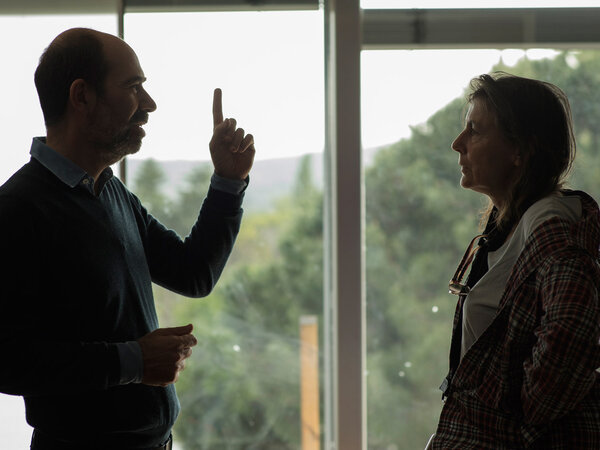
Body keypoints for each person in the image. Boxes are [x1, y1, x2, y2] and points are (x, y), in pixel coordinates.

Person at [0, 28, 255, 449]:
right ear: (82, 96)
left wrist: (229, 183)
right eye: (134, 87)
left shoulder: (110, 191)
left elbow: (193, 273)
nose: (149, 105)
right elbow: (8, 360)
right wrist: (133, 361)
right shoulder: (18, 211)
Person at [427, 72, 600, 448]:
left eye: (475, 130)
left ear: (520, 150)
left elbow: (572, 328)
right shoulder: (511, 225)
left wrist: (521, 413)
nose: (458, 144)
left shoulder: (549, 224)